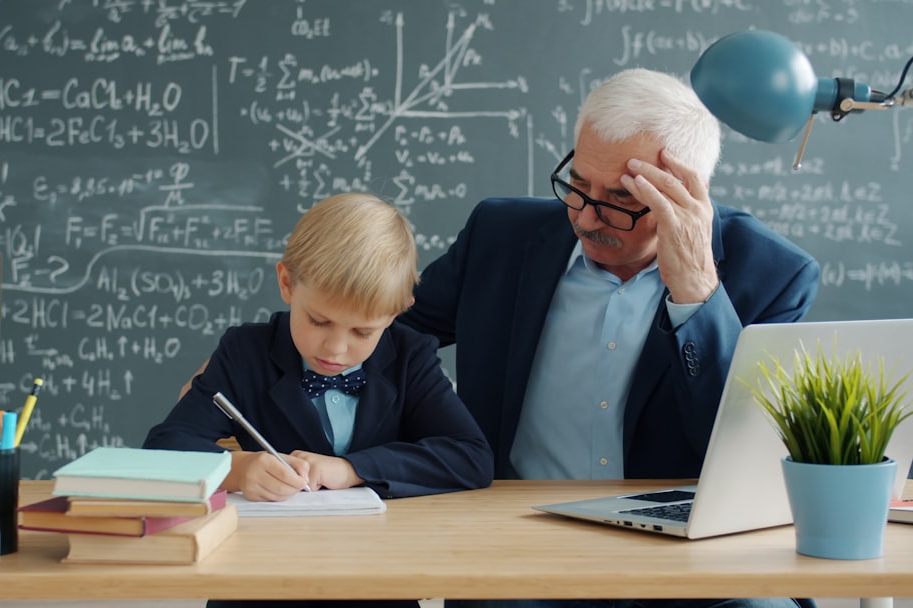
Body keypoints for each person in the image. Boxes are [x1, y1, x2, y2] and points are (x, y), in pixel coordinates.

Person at [396, 68, 821, 608]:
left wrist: (695, 292)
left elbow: (749, 445)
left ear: (686, 191)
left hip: (692, 557)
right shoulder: (499, 237)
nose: (586, 216)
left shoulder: (773, 273)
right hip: (522, 543)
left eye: (620, 198)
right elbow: (389, 335)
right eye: (578, 184)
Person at [144, 192, 494, 608]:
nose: (336, 348)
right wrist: (237, 470)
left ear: (398, 311)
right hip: (258, 586)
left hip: (380, 588)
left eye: (363, 332)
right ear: (287, 283)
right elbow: (163, 451)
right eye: (319, 321)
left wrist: (351, 469)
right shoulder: (244, 353)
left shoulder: (410, 356)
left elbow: (471, 457)